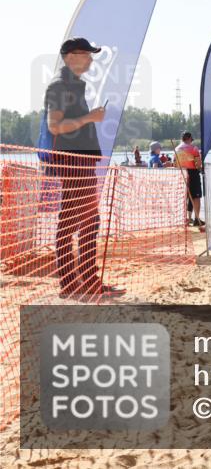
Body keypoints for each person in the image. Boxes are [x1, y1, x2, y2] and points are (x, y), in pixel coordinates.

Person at [44, 37, 125, 300]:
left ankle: (79, 283)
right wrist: (91, 117)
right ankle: (78, 283)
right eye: (86, 54)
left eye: (91, 54)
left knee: (82, 221)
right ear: (70, 55)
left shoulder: (74, 85)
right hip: (74, 161)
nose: (91, 59)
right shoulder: (59, 85)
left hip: (81, 161)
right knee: (79, 222)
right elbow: (54, 126)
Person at [175, 131, 204, 227]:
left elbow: (175, 164)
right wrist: (201, 169)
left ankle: (186, 219)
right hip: (192, 173)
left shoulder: (177, 149)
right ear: (189, 138)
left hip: (182, 173)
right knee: (196, 197)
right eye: (191, 139)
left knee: (185, 197)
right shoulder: (194, 148)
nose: (192, 141)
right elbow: (198, 164)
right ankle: (196, 219)